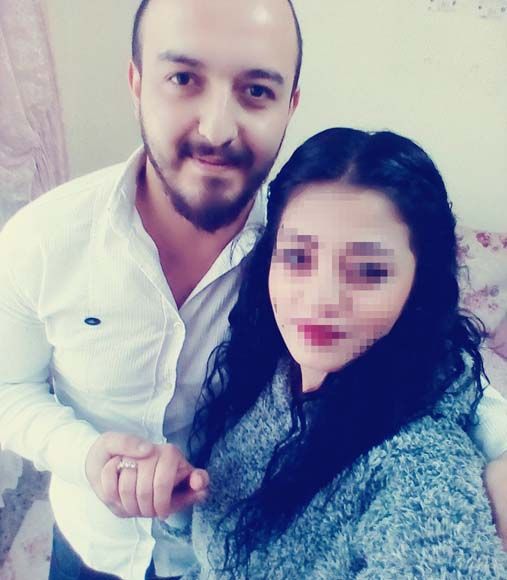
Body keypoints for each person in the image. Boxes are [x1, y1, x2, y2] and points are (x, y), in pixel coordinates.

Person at [0, 0, 505, 578]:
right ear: (136, 82)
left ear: (290, 104)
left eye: (257, 91)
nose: (217, 129)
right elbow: (9, 387)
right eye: (183, 79)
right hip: (93, 542)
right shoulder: (42, 240)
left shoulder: (299, 238)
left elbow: (437, 369)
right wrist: (83, 455)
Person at [185, 128, 507, 579]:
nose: (320, 299)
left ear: (419, 285)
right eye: (297, 257)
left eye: (369, 270)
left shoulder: (417, 464)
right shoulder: (268, 369)